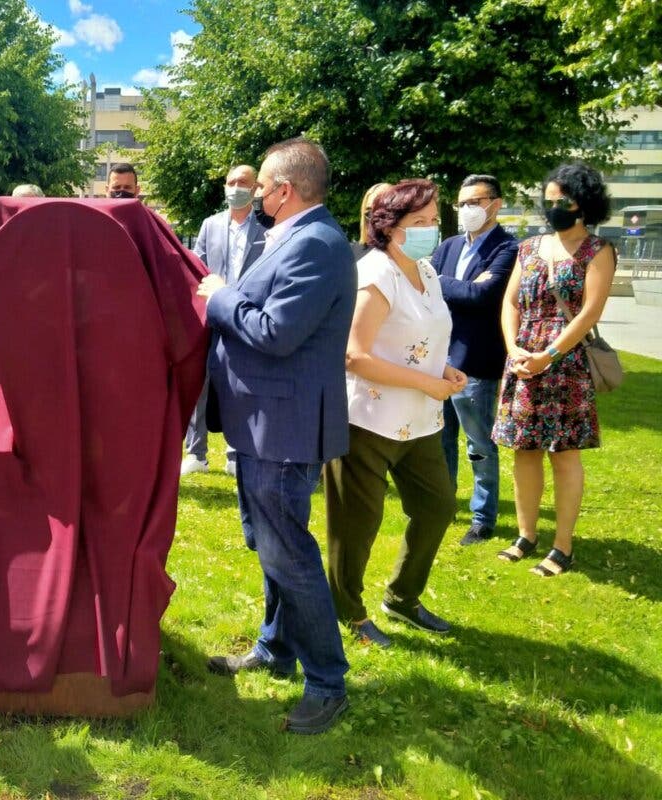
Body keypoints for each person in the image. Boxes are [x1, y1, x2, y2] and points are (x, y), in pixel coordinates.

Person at [199, 138, 355, 735]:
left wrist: (219, 298)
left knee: (289, 554)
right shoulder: (294, 237)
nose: (255, 194)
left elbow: (275, 332)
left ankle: (327, 682)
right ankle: (277, 647)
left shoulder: (315, 243)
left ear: (284, 190)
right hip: (263, 419)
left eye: (262, 185)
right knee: (272, 548)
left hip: (283, 429)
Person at [325, 179, 463, 650]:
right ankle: (347, 610)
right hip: (369, 420)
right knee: (356, 526)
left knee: (438, 505)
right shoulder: (376, 274)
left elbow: (420, 335)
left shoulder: (426, 269)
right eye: (417, 222)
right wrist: (429, 382)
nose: (430, 229)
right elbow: (354, 355)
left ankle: (402, 596)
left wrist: (442, 367)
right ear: (388, 226)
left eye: (433, 220)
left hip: (421, 420)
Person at [493, 163, 615, 577]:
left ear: (584, 202)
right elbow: (511, 303)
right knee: (523, 451)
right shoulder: (528, 248)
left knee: (564, 455)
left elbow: (588, 314)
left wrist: (549, 354)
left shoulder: (598, 251)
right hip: (524, 360)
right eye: (548, 201)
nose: (553, 208)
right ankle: (526, 535)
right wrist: (514, 349)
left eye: (562, 200)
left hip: (565, 364)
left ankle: (563, 546)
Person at [431, 175, 518, 545]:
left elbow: (483, 295)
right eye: (462, 203)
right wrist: (454, 285)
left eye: (475, 202)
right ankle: (443, 506)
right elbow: (428, 287)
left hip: (477, 362)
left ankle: (483, 518)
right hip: (438, 359)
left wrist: (441, 281)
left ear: (495, 204)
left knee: (479, 445)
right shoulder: (448, 245)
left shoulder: (509, 248)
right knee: (440, 440)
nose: (467, 210)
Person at [183, 164, 265, 477]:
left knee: (239, 386)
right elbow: (198, 266)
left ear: (256, 187)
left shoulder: (267, 228)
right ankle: (196, 452)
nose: (235, 188)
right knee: (201, 383)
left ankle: (235, 452)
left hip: (246, 316)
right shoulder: (211, 225)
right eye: (230, 182)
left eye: (242, 182)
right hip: (212, 314)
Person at [350, 182, 393, 260]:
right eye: (369, 212)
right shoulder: (351, 252)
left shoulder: (404, 254)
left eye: (381, 212)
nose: (374, 219)